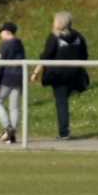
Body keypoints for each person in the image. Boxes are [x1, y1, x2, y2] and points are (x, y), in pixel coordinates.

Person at [30, 11, 89, 140]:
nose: (53, 23)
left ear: (60, 23)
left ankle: (64, 133)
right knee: (64, 101)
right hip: (75, 74)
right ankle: (64, 131)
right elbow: (84, 55)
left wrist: (36, 72)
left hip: (59, 75)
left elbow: (46, 57)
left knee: (61, 103)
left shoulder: (54, 37)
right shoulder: (79, 37)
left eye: (55, 20)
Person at [0, 21, 25, 143]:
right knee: (14, 107)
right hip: (18, 78)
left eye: (1, 32)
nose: (0, 35)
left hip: (6, 79)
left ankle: (8, 127)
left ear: (7, 32)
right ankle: (13, 135)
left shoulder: (5, 46)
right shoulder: (19, 44)